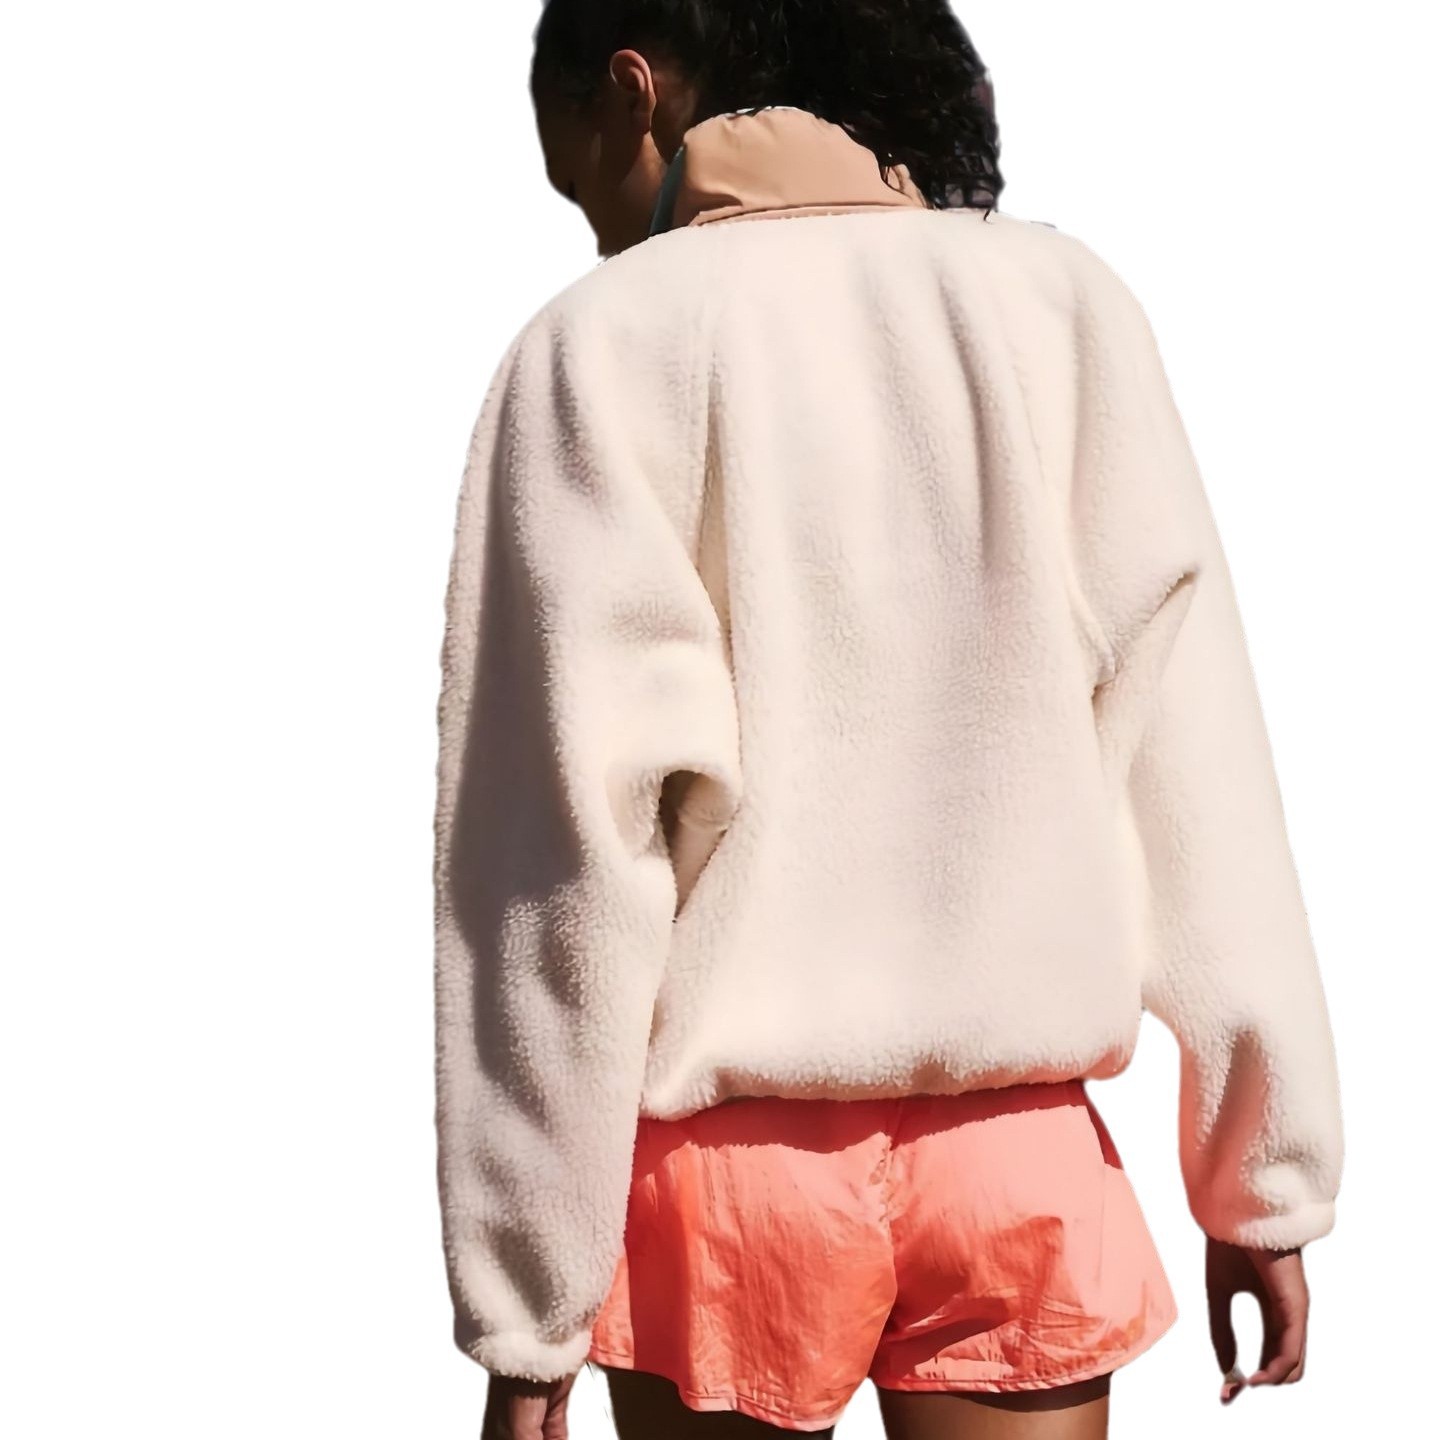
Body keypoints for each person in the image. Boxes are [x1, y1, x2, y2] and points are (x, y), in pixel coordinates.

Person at [431, 3, 1345, 1437]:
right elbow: (1195, 773)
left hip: (725, 1183)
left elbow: (558, 856)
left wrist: (527, 1308)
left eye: (579, 173)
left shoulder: (599, 347)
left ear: (633, 89)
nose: (597, 228)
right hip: (1019, 1158)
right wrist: (1260, 1182)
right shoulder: (1064, 310)